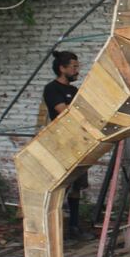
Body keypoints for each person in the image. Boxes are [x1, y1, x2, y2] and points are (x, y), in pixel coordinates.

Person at [42, 50, 91, 240]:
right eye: (74, 67)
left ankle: (74, 227)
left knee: (77, 186)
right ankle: (53, 229)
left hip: (77, 142)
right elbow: (65, 113)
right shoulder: (52, 89)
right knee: (62, 186)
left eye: (77, 66)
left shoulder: (75, 91)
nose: (77, 70)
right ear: (62, 68)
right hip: (61, 143)